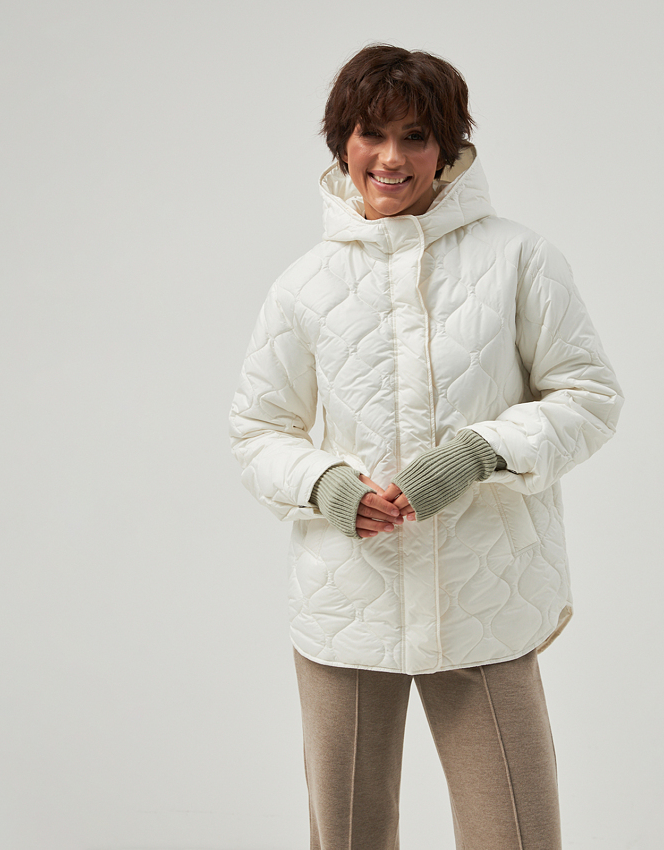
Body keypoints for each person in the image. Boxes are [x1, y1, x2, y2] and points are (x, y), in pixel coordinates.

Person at [229, 44, 623, 850]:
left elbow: (589, 397)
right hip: (347, 601)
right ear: (343, 143)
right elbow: (259, 430)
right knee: (348, 837)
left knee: (514, 834)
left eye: (416, 136)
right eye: (372, 134)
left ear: (447, 148)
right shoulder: (304, 284)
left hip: (485, 598)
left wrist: (476, 455)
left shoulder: (519, 258)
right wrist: (326, 485)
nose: (392, 157)